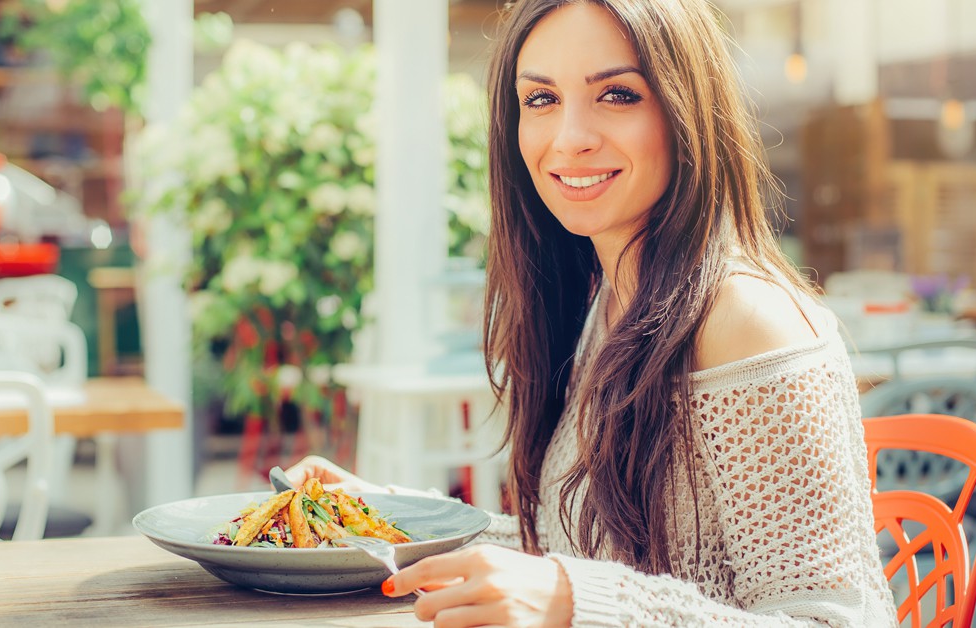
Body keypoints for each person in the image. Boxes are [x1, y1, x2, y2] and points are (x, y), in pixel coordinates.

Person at [288, 0, 896, 625]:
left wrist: (573, 600)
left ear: (687, 111)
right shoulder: (610, 301)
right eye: (541, 100)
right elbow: (569, 548)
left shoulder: (747, 321)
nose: (570, 138)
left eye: (617, 95)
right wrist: (393, 518)